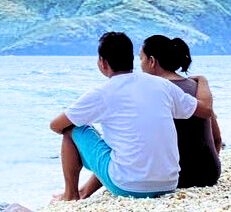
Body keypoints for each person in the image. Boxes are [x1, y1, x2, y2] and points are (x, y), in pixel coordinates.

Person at [49, 32, 213, 201]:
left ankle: (70, 195)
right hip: (169, 182)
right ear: (131, 59)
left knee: (72, 128)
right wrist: (203, 81)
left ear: (103, 63)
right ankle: (82, 192)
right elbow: (205, 110)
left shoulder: (102, 93)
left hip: (127, 185)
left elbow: (56, 125)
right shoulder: (162, 85)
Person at [141, 35, 222, 188]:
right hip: (209, 173)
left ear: (151, 61)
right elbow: (217, 139)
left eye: (141, 59)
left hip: (176, 178)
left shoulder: (152, 91)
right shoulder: (200, 90)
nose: (140, 65)